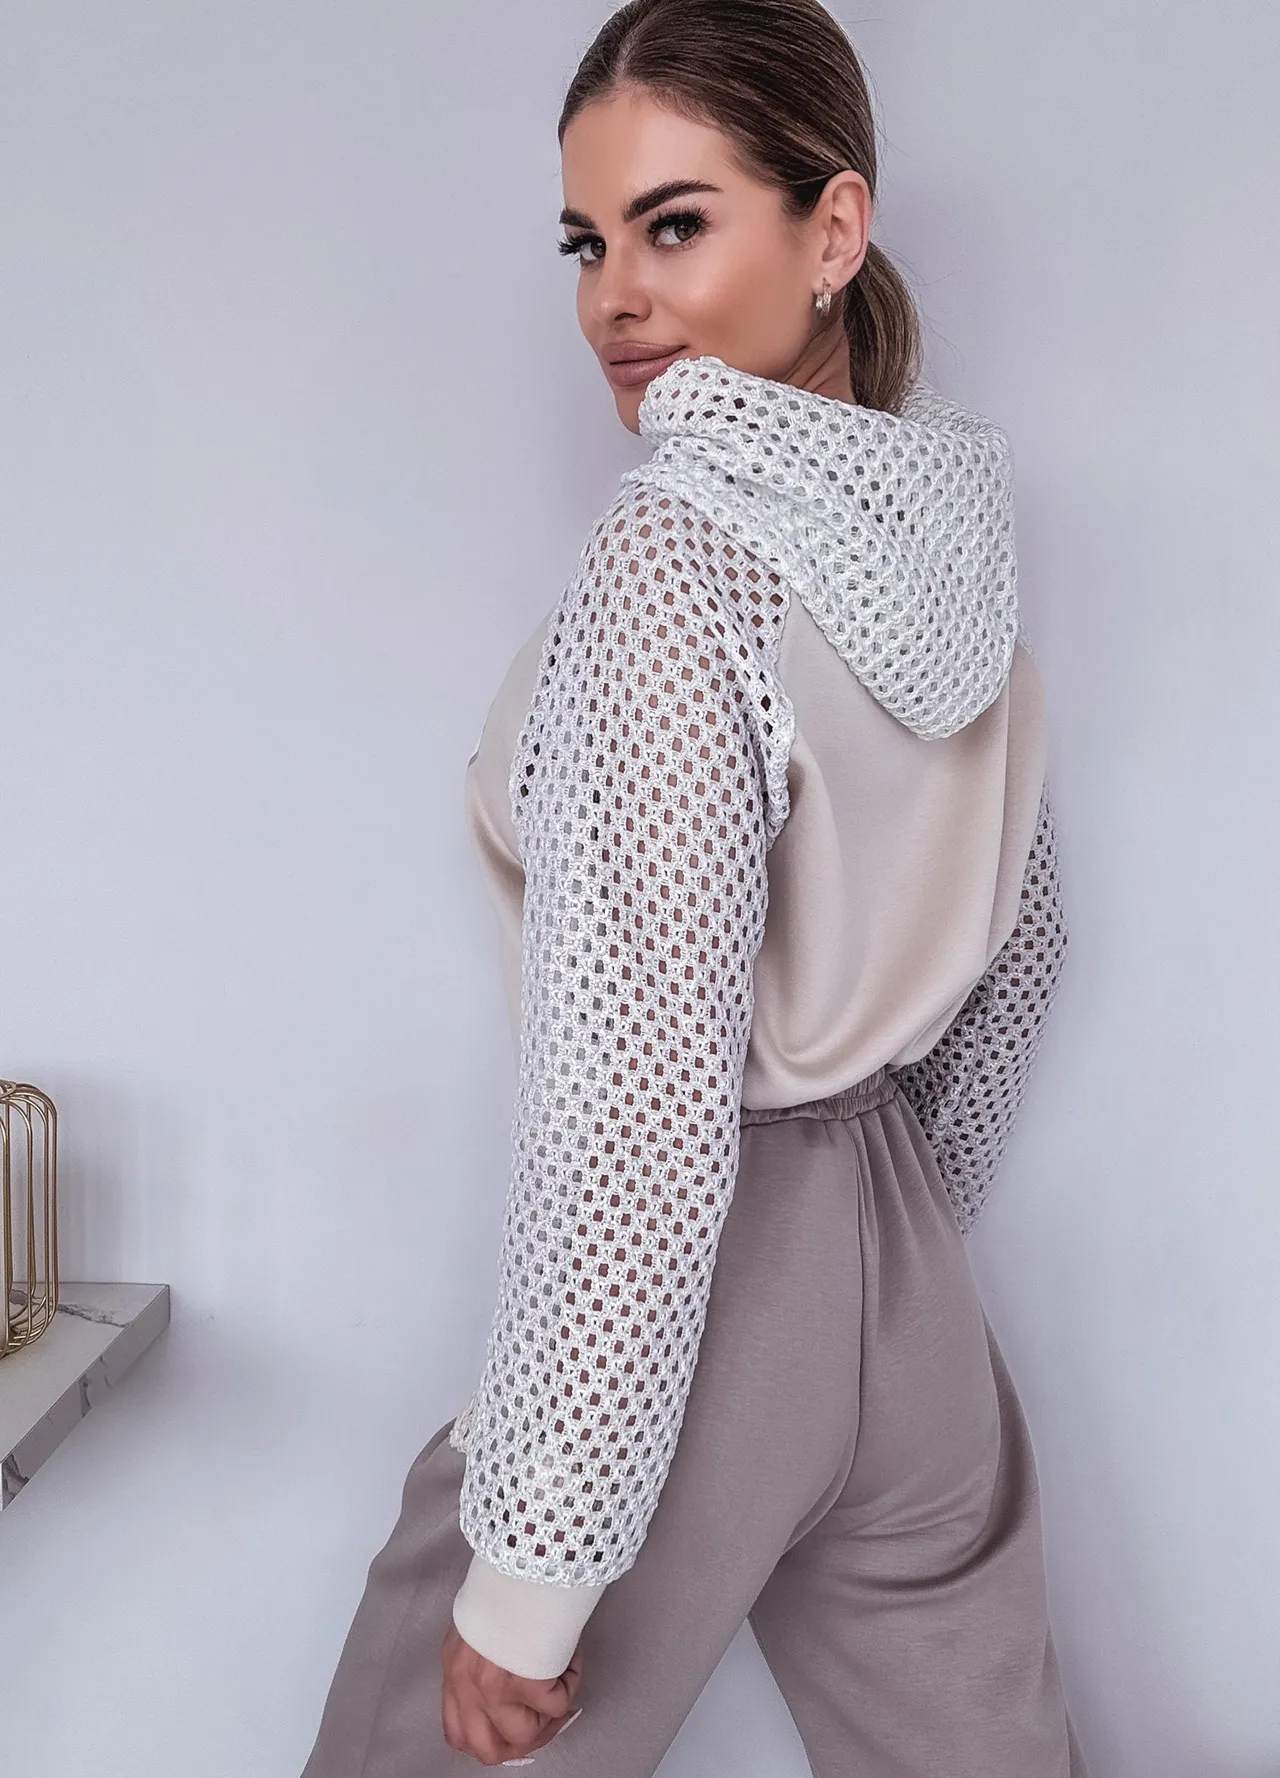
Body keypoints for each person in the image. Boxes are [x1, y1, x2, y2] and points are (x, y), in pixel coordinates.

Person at [298, 2, 1092, 1772]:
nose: (613, 298)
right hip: (911, 1287)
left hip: (703, 1267)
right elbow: (1025, 947)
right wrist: (886, 1244)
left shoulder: (680, 554)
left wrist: (528, 1589)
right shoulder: (951, 543)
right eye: (587, 242)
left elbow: (647, 1099)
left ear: (834, 228)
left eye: (674, 224)